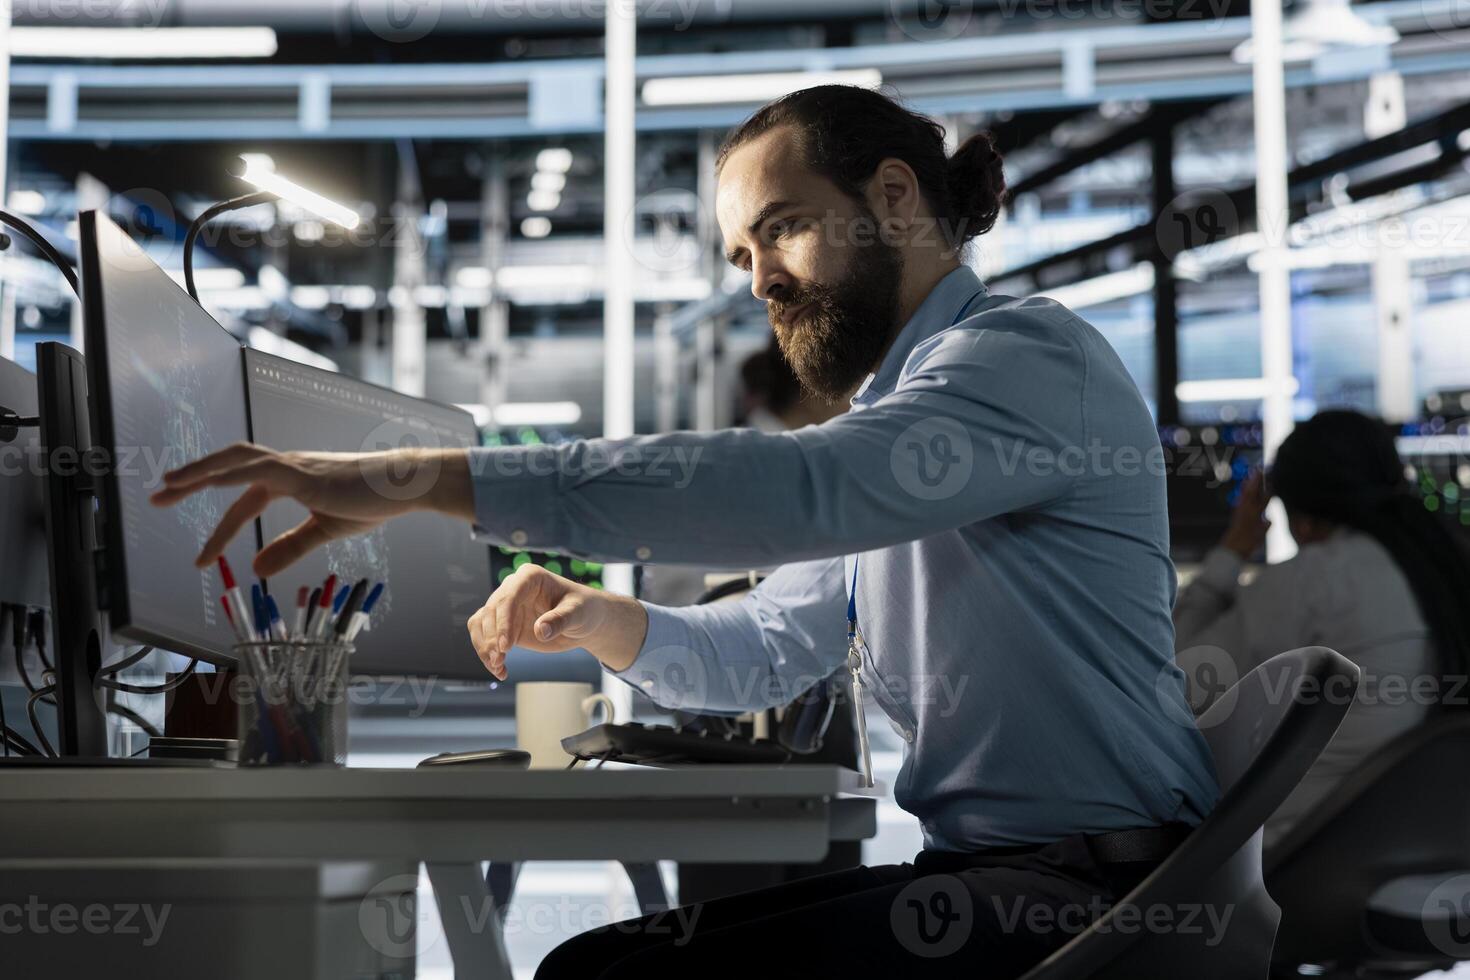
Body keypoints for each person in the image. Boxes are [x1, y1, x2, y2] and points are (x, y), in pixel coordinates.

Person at [152, 85, 1218, 978]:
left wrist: (421, 478)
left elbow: (798, 491)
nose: (759, 279)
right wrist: (604, 618)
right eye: (743, 253)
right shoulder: (903, 427)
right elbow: (761, 653)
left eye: (784, 226)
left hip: (1101, 897)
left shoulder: (1025, 357)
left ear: (893, 199)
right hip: (999, 877)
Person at [1174, 410, 1470, 850]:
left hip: (1295, 866)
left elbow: (1177, 687)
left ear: (1304, 519)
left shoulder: (1315, 580)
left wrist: (1233, 550)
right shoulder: (1443, 571)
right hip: (1414, 852)